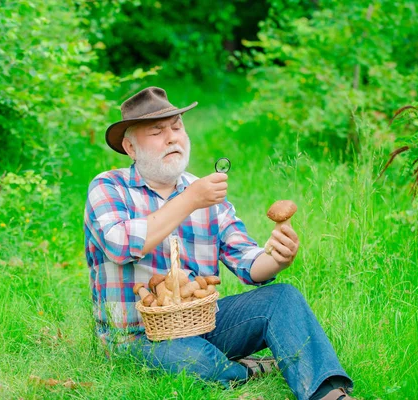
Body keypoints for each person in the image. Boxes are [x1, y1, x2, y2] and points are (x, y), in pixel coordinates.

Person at [84, 87, 355, 400]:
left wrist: (278, 257)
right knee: (192, 360)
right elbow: (119, 245)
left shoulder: (202, 193)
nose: (172, 137)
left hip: (202, 325)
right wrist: (189, 200)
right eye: (157, 131)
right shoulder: (108, 187)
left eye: (177, 127)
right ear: (131, 148)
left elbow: (249, 264)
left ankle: (328, 392)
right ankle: (250, 369)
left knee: (282, 298)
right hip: (136, 338)